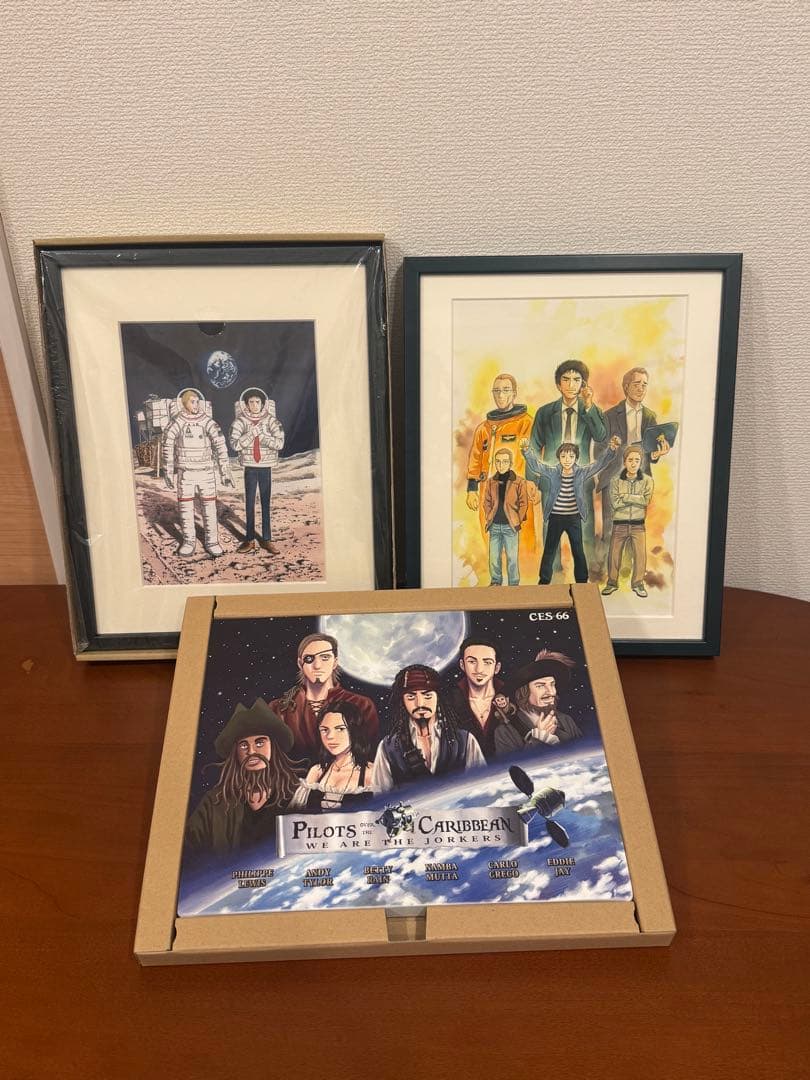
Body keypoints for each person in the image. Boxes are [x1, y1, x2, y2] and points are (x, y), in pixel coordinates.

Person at [184, 699, 301, 858]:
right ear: (236, 753)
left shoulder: (297, 794)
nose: (251, 752)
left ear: (274, 747)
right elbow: (186, 851)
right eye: (244, 745)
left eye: (259, 743)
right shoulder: (215, 803)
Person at [526, 360, 608, 566]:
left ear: (584, 384)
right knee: (550, 533)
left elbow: (600, 436)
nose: (571, 385)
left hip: (581, 480)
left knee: (585, 531)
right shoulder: (545, 412)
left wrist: (588, 405)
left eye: (577, 380)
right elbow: (534, 446)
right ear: (558, 384)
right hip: (551, 480)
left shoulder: (591, 410)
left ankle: (586, 576)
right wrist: (531, 479)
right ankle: (552, 575)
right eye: (566, 379)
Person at [269, 633, 380, 767]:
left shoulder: (361, 705)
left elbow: (369, 755)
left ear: (335, 662)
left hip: (346, 777)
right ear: (300, 663)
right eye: (309, 658)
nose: (317, 665)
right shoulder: (279, 708)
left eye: (325, 657)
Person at [521, 436, 620, 584]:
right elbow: (536, 466)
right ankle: (544, 580)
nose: (567, 460)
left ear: (576, 458)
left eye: (571, 456)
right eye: (563, 456)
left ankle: (582, 581)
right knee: (550, 550)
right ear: (559, 458)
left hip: (573, 517)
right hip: (555, 517)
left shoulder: (581, 472)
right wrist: (527, 451)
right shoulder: (553, 472)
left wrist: (611, 450)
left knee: (578, 550)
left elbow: (598, 465)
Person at [466, 374, 539, 573]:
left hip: (517, 489)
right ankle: (497, 579)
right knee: (490, 536)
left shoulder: (526, 423)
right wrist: (472, 489)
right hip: (489, 491)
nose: (500, 395)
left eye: (506, 390)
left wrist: (533, 482)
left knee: (522, 536)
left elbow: (534, 455)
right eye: (496, 391)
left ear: (514, 393)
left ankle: (526, 577)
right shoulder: (484, 428)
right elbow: (475, 458)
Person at [371, 665, 485, 791]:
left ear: (438, 697)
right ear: (403, 701)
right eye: (411, 697)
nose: (420, 703)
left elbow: (481, 787)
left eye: (427, 695)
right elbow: (381, 795)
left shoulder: (465, 741)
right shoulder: (388, 747)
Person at [594, 367, 670, 545]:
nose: (641, 388)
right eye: (636, 384)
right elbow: (599, 450)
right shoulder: (609, 416)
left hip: (639, 480)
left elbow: (651, 452)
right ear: (626, 387)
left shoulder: (650, 416)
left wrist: (656, 454)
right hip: (613, 478)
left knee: (635, 532)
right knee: (611, 532)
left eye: (644, 385)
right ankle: (607, 562)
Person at [162, 387, 233, 557]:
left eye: (197, 402)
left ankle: (212, 541)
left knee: (209, 507)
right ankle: (189, 541)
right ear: (184, 403)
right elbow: (167, 446)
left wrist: (225, 471)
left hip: (205, 471)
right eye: (192, 402)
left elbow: (220, 445)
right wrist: (168, 471)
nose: (195, 405)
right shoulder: (176, 422)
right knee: (186, 507)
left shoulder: (207, 422)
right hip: (186, 472)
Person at [228, 387, 285, 555]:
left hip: (265, 466)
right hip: (250, 466)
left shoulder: (272, 421)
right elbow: (235, 444)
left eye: (257, 402)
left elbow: (279, 443)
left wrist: (263, 436)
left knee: (266, 503)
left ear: (263, 404)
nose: (254, 405)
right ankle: (250, 539)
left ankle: (266, 539)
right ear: (246, 404)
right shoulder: (240, 422)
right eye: (251, 402)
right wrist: (250, 435)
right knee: (250, 504)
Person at [290, 699, 374, 810]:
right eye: (324, 730)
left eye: (340, 729)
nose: (330, 736)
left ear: (355, 730)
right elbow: (294, 815)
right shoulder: (317, 771)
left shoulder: (371, 773)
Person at [495, 651, 582, 756]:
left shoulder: (566, 720)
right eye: (540, 686)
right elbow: (511, 764)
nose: (551, 692)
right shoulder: (505, 732)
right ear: (523, 692)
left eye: (552, 684)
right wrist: (538, 739)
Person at [601, 446, 654, 598]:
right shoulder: (615, 480)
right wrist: (636, 498)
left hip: (638, 525)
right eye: (630, 460)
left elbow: (645, 501)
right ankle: (612, 583)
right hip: (619, 524)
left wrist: (625, 496)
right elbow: (615, 503)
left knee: (640, 555)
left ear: (641, 462)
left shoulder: (647, 480)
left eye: (637, 460)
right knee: (614, 554)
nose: (633, 463)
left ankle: (638, 584)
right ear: (624, 462)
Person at [450, 637, 512, 762]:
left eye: (487, 662)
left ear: (497, 667)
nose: (479, 669)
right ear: (462, 665)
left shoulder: (513, 696)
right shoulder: (448, 700)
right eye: (472, 662)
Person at [482, 448, 529, 586]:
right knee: (494, 558)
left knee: (512, 558)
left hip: (511, 527)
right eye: (498, 461)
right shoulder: (490, 482)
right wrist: (489, 516)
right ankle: (496, 582)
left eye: (504, 462)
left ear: (510, 463)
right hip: (494, 526)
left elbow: (524, 503)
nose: (501, 465)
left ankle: (513, 584)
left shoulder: (519, 482)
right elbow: (486, 502)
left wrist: (517, 520)